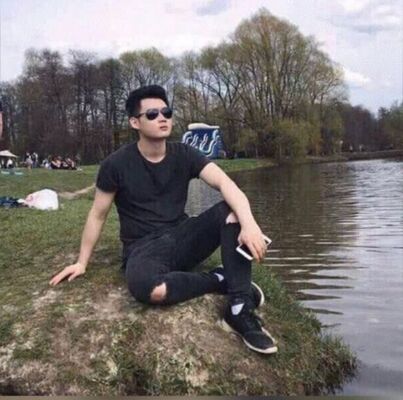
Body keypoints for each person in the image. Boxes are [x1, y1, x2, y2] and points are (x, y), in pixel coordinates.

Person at [49, 85, 277, 354]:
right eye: (152, 114)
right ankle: (221, 280)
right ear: (135, 122)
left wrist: (249, 224)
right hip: (143, 247)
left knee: (232, 210)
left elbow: (226, 184)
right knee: (153, 289)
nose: (162, 118)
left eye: (166, 112)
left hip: (183, 236)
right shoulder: (115, 164)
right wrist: (81, 262)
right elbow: (98, 214)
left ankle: (239, 308)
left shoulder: (185, 153)